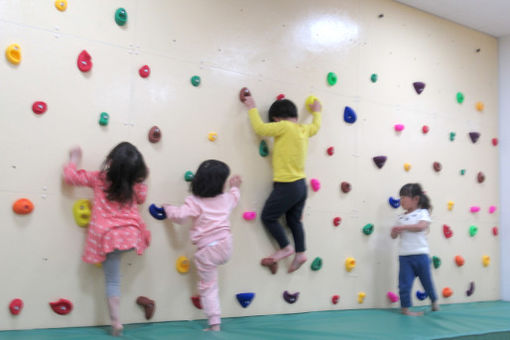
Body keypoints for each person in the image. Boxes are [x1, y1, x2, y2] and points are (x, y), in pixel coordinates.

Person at [63, 142, 150, 336]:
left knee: (112, 281)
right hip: (132, 235)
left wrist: (74, 159)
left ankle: (116, 321)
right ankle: (117, 321)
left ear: (110, 162)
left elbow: (70, 178)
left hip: (108, 237)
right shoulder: (135, 186)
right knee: (116, 275)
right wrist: (142, 180)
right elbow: (142, 197)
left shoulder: (99, 178)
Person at [242, 92, 321, 274]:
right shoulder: (303, 129)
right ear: (296, 116)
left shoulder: (283, 127)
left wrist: (252, 108)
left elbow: (260, 128)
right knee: (294, 221)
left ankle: (286, 247)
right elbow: (316, 127)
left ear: (276, 119)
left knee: (268, 217)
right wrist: (317, 112)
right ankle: (301, 253)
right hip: (301, 185)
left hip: (287, 184)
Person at [162, 160, 241, 331]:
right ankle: (215, 323)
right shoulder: (226, 198)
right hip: (226, 246)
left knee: (208, 287)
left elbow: (181, 217)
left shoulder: (195, 201)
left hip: (208, 251)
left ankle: (214, 323)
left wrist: (168, 209)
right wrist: (235, 186)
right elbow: (235, 198)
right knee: (210, 284)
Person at [391, 183, 439, 316]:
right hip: (405, 256)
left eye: (404, 197)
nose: (401, 201)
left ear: (415, 199)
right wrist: (394, 231)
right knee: (404, 285)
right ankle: (405, 309)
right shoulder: (400, 217)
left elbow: (421, 226)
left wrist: (403, 228)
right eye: (400, 198)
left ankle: (434, 300)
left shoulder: (422, 213)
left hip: (421, 255)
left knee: (427, 282)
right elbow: (394, 236)